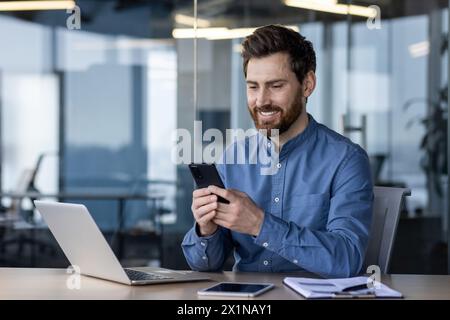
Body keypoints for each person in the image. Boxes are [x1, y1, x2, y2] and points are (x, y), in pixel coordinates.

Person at [182, 25, 373, 278]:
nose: (261, 100)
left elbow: (347, 259)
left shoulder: (346, 160)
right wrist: (206, 229)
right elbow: (205, 264)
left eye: (275, 86)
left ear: (307, 85)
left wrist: (260, 224)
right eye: (253, 87)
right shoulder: (233, 157)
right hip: (248, 301)